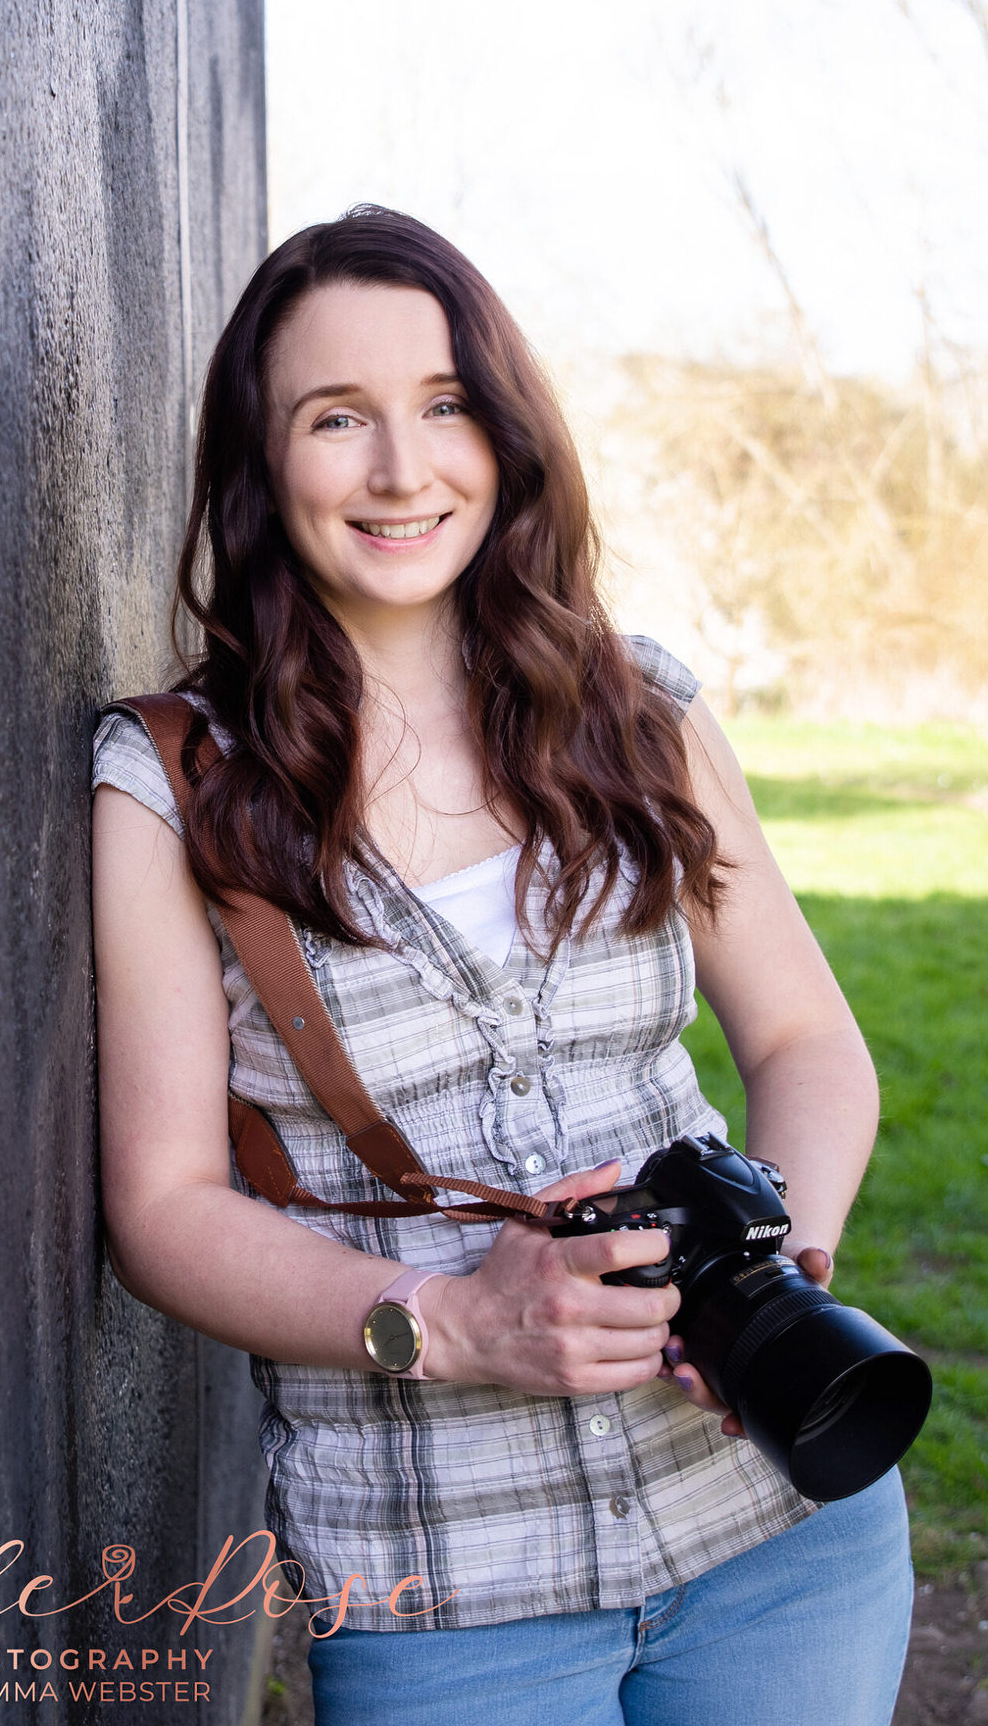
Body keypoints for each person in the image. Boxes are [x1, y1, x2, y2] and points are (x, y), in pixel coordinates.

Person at [90, 206, 913, 1725]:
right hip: (443, 1584)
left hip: (781, 1518)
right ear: (262, 465)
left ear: (505, 432)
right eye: (339, 419)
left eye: (444, 405)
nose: (404, 470)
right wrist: (457, 1320)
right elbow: (161, 1207)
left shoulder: (641, 709)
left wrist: (770, 1258)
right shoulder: (168, 787)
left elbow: (805, 1041)